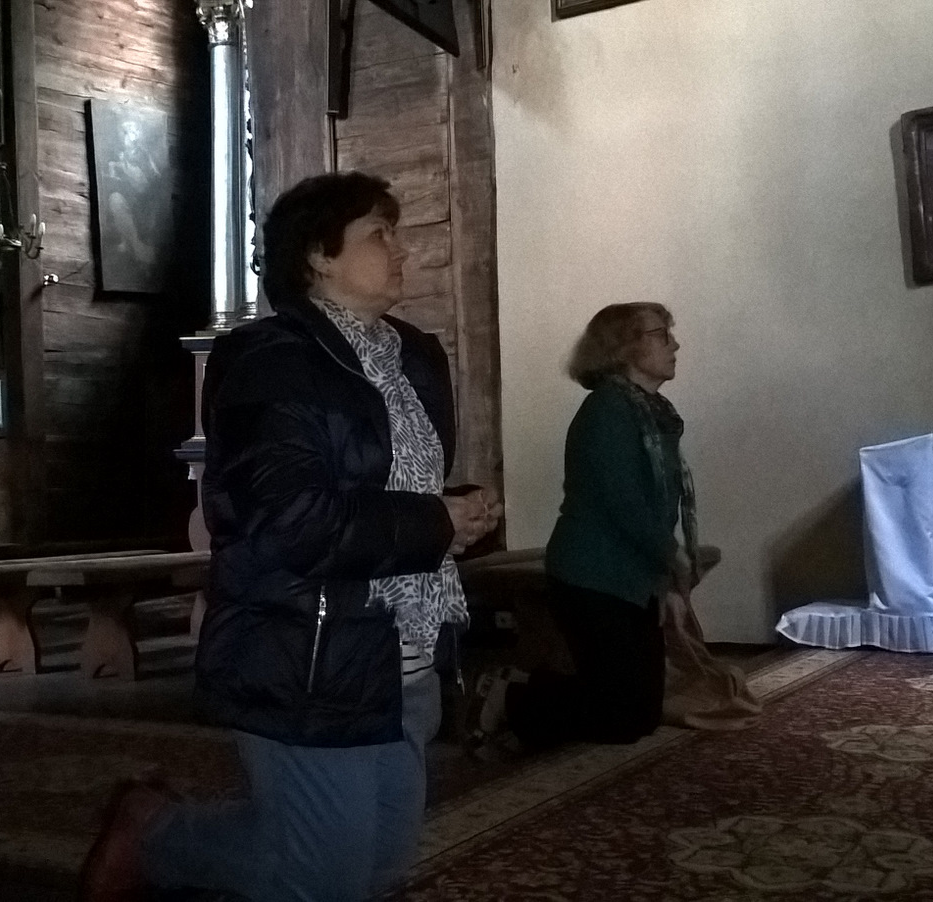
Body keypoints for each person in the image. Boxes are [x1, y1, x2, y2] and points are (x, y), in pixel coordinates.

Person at [79, 171, 501, 902]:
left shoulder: (411, 356)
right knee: (323, 880)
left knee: (378, 869)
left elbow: (383, 484)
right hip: (307, 652)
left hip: (404, 651)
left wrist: (452, 515)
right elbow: (289, 522)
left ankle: (161, 834)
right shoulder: (271, 360)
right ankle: (154, 834)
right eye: (379, 234)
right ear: (318, 256)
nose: (402, 249)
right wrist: (434, 522)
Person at [473, 302, 755, 752]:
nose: (675, 344)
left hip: (632, 578)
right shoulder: (607, 410)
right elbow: (625, 503)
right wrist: (673, 559)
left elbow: (659, 505)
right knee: (624, 717)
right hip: (592, 575)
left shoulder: (650, 412)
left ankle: (528, 699)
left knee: (640, 713)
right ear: (623, 347)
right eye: (661, 334)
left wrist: (665, 585)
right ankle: (512, 696)